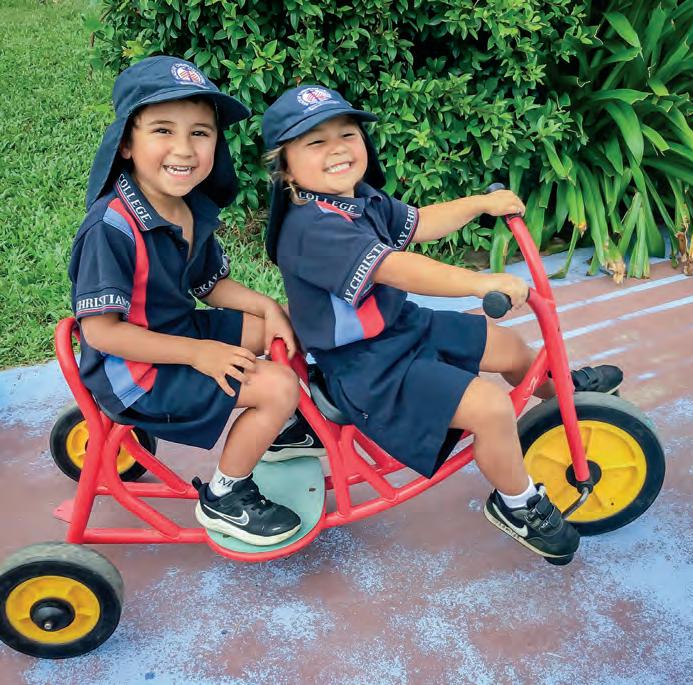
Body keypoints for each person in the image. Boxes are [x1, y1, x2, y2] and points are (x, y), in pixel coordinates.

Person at [259, 85, 623, 563]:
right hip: (366, 366)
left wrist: (479, 205)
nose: (338, 149)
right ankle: (517, 504)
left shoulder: (358, 199)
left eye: (347, 134)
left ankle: (566, 398)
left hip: (401, 329)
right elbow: (395, 267)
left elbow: (419, 223)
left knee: (509, 347)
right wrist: (478, 282)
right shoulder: (312, 228)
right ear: (286, 168)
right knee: (491, 409)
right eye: (315, 142)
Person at [68, 56, 304, 546]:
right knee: (278, 385)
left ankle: (284, 431)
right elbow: (101, 332)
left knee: (284, 326)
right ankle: (226, 496)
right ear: (127, 143)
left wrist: (267, 307)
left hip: (174, 332)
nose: (184, 149)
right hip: (135, 372)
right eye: (162, 130)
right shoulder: (112, 228)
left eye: (200, 132)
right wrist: (201, 353)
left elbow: (209, 285)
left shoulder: (188, 206)